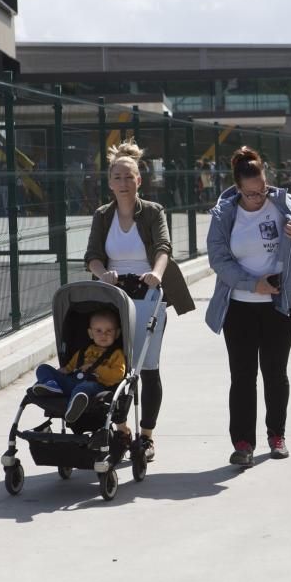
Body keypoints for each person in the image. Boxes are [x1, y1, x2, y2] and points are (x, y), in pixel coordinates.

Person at [206, 146, 291, 467]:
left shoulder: (284, 202)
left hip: (281, 303)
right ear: (237, 188)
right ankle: (243, 442)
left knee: (275, 372)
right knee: (242, 376)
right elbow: (218, 259)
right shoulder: (223, 214)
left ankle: (277, 435)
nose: (258, 199)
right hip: (239, 306)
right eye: (250, 194)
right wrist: (251, 284)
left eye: (261, 191)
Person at [84, 139, 196, 461]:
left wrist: (157, 274)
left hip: (148, 292)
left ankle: (146, 436)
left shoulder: (153, 212)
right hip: (113, 294)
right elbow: (92, 255)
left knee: (147, 367)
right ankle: (120, 430)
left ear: (139, 180)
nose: (123, 183)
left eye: (128, 177)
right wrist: (102, 273)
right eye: (117, 177)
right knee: (114, 365)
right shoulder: (103, 216)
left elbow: (163, 248)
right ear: (109, 182)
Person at [32, 309, 127, 425]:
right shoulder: (83, 351)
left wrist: (96, 368)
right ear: (91, 333)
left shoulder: (117, 354)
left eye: (109, 331)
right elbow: (69, 368)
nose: (104, 335)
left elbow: (118, 375)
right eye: (98, 331)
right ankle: (51, 385)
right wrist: (60, 373)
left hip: (96, 385)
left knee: (84, 387)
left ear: (117, 333)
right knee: (43, 368)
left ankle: (73, 407)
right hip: (72, 381)